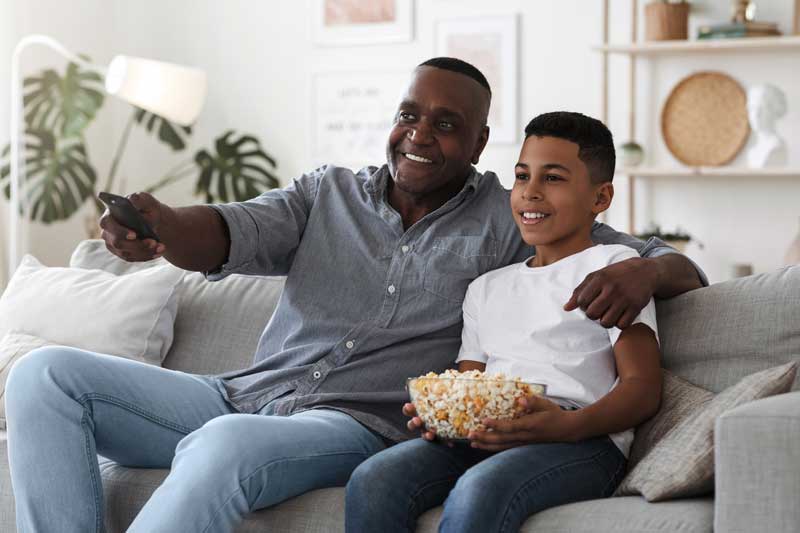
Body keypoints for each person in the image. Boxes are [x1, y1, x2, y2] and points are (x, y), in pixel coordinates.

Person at [5, 58, 705, 533]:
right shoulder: (325, 193)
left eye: (447, 124)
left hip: (351, 425)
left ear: (480, 142)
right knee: (43, 376)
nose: (419, 135)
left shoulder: (509, 215)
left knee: (223, 446)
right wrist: (160, 229)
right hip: (243, 392)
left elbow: (654, 260)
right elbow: (227, 232)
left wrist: (646, 274)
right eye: (410, 115)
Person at [345, 111, 663, 533]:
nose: (530, 193)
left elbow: (642, 389)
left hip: (582, 439)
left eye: (552, 178)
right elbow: (470, 385)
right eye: (521, 176)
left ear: (600, 198)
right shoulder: (486, 288)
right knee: (374, 479)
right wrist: (441, 415)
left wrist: (567, 426)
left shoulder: (613, 268)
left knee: (481, 488)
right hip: (491, 433)